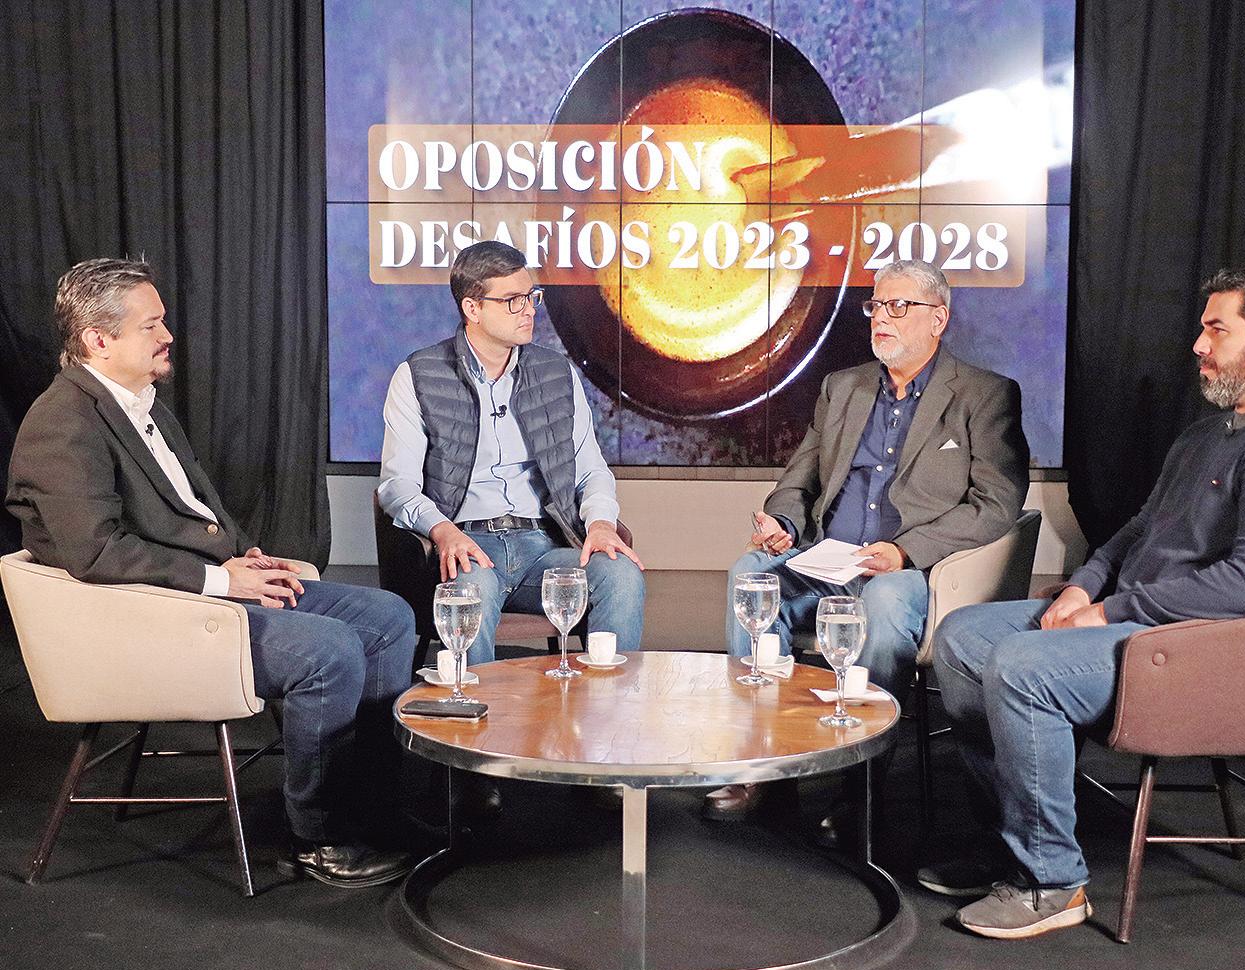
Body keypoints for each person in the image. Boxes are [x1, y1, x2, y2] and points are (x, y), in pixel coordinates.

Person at [928, 267, 1245, 940]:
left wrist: (1106, 612)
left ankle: (1051, 882)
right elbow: (1139, 528)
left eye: (1217, 329)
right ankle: (1012, 845)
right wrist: (1084, 584)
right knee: (962, 640)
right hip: (1154, 624)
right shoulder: (1210, 433)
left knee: (1021, 666)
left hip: (1221, 653)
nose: (1198, 344)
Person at [6, 258, 418, 888]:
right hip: (147, 619)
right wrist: (225, 583)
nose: (167, 335)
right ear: (98, 340)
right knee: (329, 650)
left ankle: (373, 806)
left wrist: (245, 557)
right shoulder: (63, 422)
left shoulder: (142, 405)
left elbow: (195, 512)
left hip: (200, 591)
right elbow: (97, 552)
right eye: (150, 325)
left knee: (387, 617)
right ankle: (321, 836)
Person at [707, 259, 1030, 828]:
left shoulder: (984, 395)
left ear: (939, 319)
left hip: (911, 572)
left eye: (899, 306)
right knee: (751, 576)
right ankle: (767, 763)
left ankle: (860, 788)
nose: (882, 318)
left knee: (882, 601)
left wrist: (905, 552)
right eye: (877, 305)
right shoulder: (843, 388)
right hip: (826, 559)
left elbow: (997, 503)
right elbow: (800, 478)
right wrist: (783, 521)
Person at [377, 240, 645, 666]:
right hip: (469, 544)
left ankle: (610, 703)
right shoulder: (418, 375)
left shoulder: (556, 373)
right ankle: (476, 705)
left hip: (545, 545)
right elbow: (397, 487)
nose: (529, 310)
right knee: (471, 587)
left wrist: (599, 524)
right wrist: (442, 531)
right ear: (472, 308)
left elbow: (591, 470)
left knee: (619, 574)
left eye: (531, 296)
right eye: (512, 300)